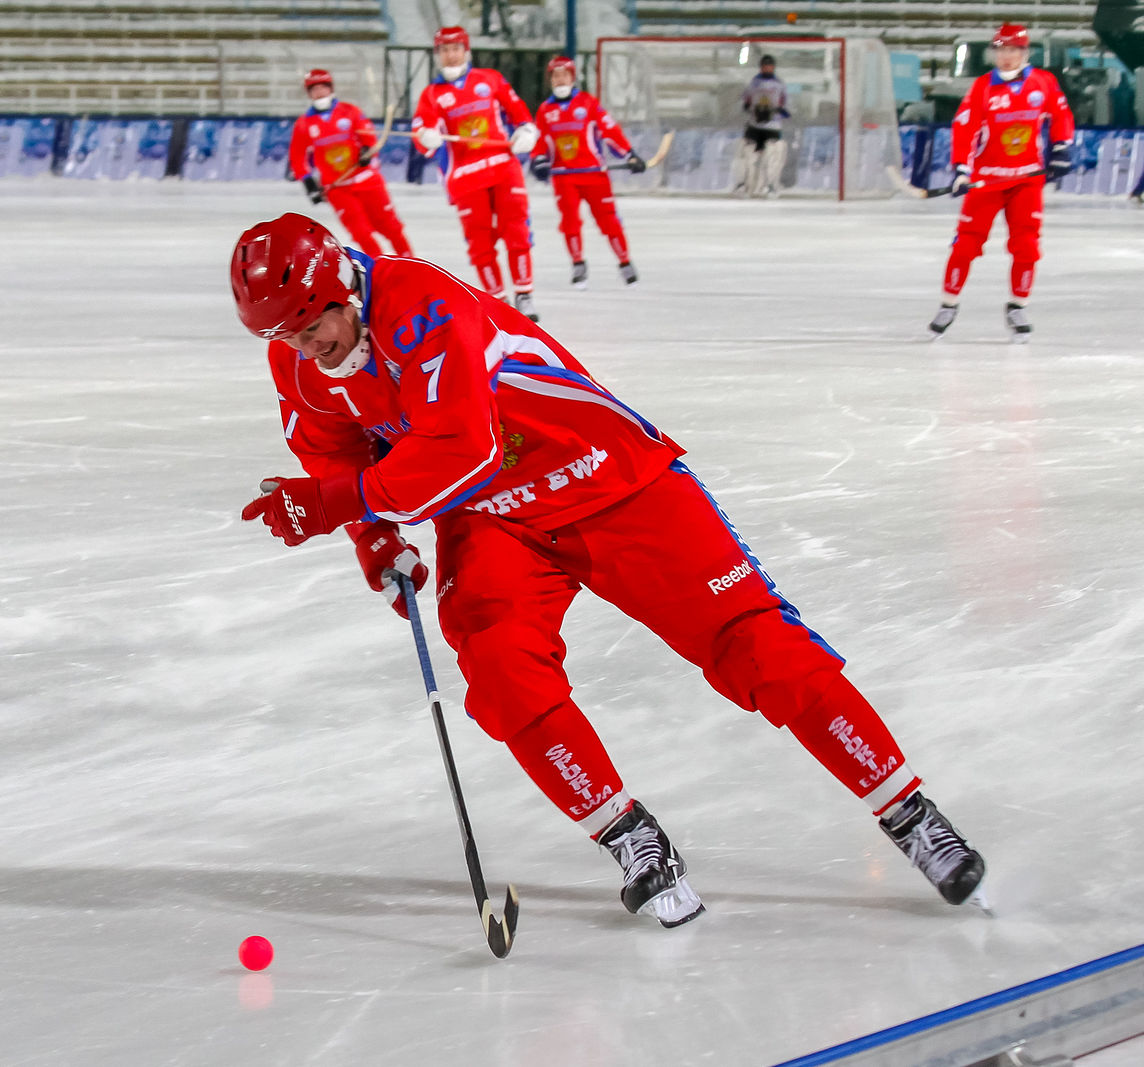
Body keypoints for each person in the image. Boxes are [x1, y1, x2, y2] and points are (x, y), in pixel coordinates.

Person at [232, 212, 987, 928]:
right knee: (499, 668)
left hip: (612, 478)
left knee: (755, 646)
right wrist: (372, 537)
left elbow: (464, 450)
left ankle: (908, 811)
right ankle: (627, 833)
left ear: (341, 287)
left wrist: (334, 505)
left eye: (312, 325)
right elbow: (333, 453)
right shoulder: (298, 361)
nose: (306, 346)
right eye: (285, 336)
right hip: (495, 520)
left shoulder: (420, 304)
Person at [928, 23, 1073, 343]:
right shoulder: (982, 87)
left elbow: (1061, 115)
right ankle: (948, 304)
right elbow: (965, 127)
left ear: (1024, 52)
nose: (1007, 56)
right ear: (994, 52)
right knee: (965, 245)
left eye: (1014, 50)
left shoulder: (1043, 82)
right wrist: (962, 170)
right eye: (1002, 49)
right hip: (988, 179)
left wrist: (1062, 148)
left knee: (1027, 246)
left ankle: (1018, 306)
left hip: (1027, 180)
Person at [411, 26, 542, 321]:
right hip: (465, 177)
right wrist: (426, 137)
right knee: (480, 245)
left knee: (517, 231)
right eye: (445, 50)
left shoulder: (489, 79)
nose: (451, 55)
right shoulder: (432, 94)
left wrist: (527, 129)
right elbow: (421, 133)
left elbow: (517, 109)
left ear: (466, 51)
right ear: (438, 54)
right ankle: (499, 302)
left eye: (456, 48)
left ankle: (524, 294)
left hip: (503, 167)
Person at [528, 55, 645, 289]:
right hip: (564, 177)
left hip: (594, 175)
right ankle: (578, 264)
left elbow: (609, 131)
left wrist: (629, 154)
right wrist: (537, 161)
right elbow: (540, 142)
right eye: (556, 76)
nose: (560, 80)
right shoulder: (545, 110)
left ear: (573, 77)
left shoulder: (588, 103)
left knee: (609, 221)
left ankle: (624, 262)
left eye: (564, 75)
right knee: (570, 223)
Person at [287, 69, 412, 259]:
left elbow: (368, 137)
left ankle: (412, 263)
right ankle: (380, 269)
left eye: (323, 87)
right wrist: (308, 183)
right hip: (338, 189)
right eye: (314, 89)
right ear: (309, 93)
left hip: (367, 181)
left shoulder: (350, 112)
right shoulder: (304, 124)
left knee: (391, 228)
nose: (319, 93)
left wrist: (366, 151)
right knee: (361, 233)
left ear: (330, 88)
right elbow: (297, 157)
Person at [734, 55, 790, 198]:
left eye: (769, 65)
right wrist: (751, 109)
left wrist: (778, 111)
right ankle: (744, 184)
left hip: (773, 126)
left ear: (773, 67)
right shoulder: (753, 83)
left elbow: (785, 105)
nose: (767, 68)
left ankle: (770, 185)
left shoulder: (779, 84)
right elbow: (746, 101)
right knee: (747, 154)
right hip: (755, 125)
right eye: (765, 65)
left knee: (773, 155)